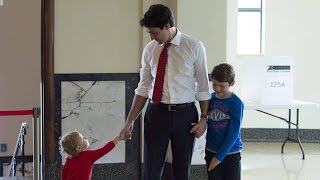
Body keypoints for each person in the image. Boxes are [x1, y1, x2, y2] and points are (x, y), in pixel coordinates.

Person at [119, 4, 211, 180]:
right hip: (156, 113)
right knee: (151, 169)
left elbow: (203, 86)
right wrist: (129, 121)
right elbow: (143, 87)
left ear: (167, 26)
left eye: (154, 32)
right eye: (150, 33)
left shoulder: (194, 46)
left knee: (182, 170)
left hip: (185, 115)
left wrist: (204, 119)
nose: (152, 37)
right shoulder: (150, 49)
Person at [191, 63, 244, 180]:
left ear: (232, 84)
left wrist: (219, 157)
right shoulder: (210, 99)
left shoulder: (236, 103)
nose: (217, 88)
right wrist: (200, 127)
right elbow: (207, 120)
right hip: (211, 150)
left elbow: (234, 133)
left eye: (222, 86)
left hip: (231, 153)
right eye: (214, 84)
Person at [60, 130, 124, 180]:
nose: (85, 137)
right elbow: (104, 150)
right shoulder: (88, 156)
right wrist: (118, 138)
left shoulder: (69, 159)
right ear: (78, 148)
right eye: (83, 138)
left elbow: (64, 174)